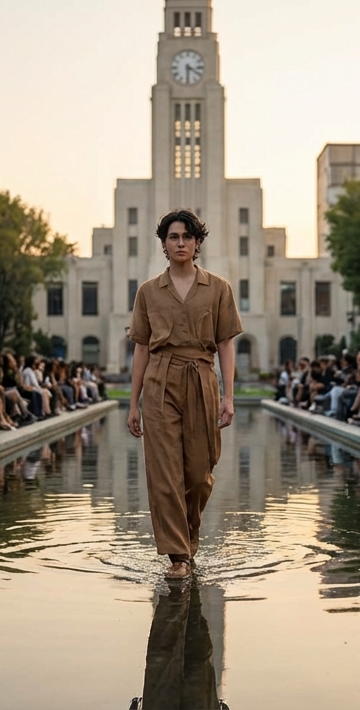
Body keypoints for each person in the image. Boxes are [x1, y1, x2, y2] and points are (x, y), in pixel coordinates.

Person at [127, 210, 244, 581]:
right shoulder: (148, 291)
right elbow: (142, 348)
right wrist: (133, 403)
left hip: (201, 377)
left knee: (198, 471)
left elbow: (225, 343)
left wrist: (228, 396)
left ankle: (189, 536)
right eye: (173, 236)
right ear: (163, 243)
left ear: (197, 243)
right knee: (164, 473)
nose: (180, 243)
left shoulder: (218, 287)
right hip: (159, 381)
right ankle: (178, 556)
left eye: (187, 237)